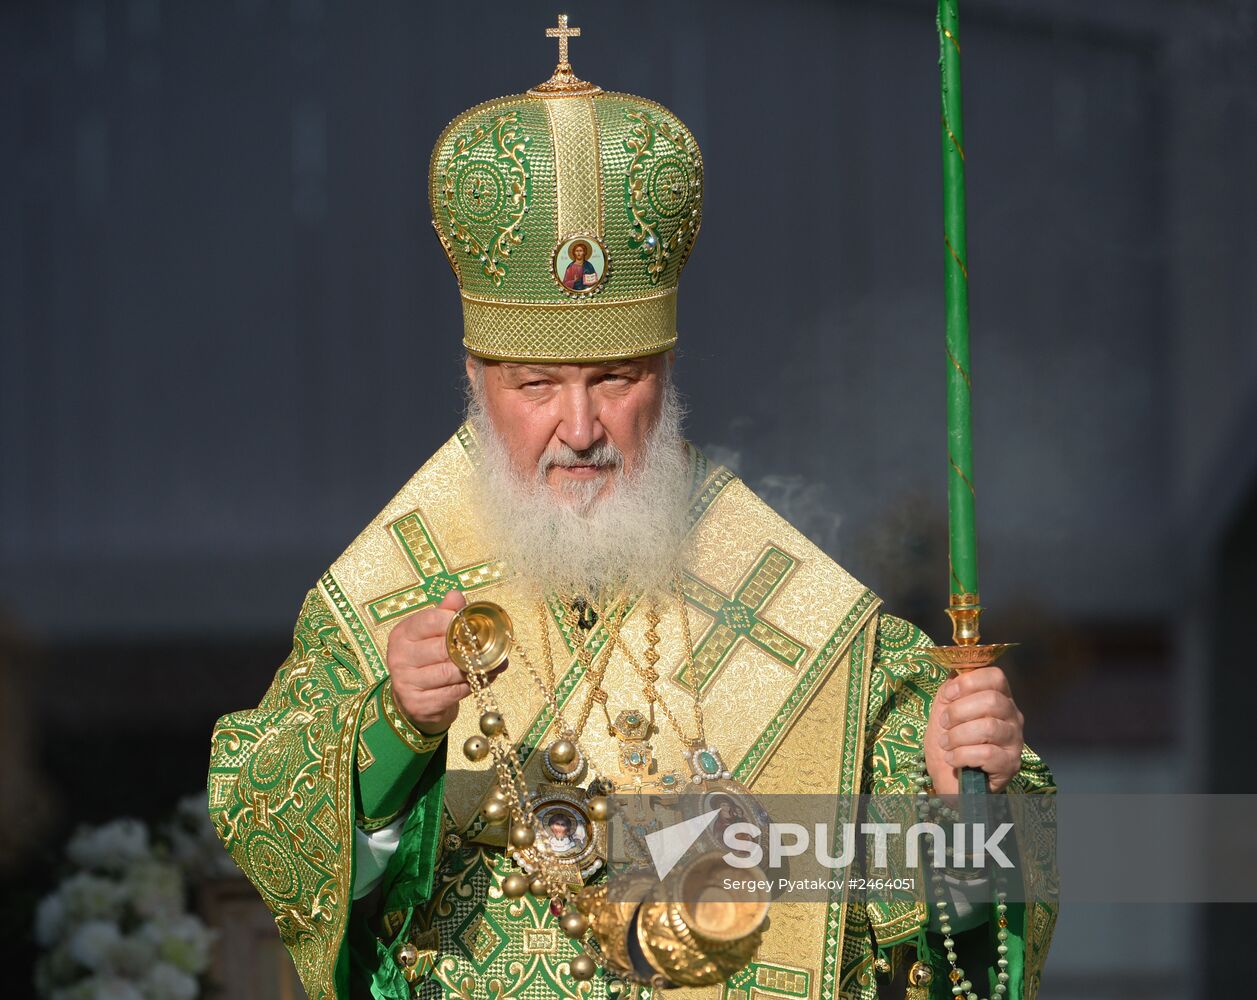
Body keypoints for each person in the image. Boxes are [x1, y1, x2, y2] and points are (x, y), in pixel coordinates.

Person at [208, 21, 1055, 1000]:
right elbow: (278, 842)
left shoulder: (804, 614)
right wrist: (393, 730)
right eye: (536, 385)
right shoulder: (391, 590)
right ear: (478, 380)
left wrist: (964, 798)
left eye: (614, 379)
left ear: (664, 373)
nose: (579, 425)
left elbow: (956, 916)